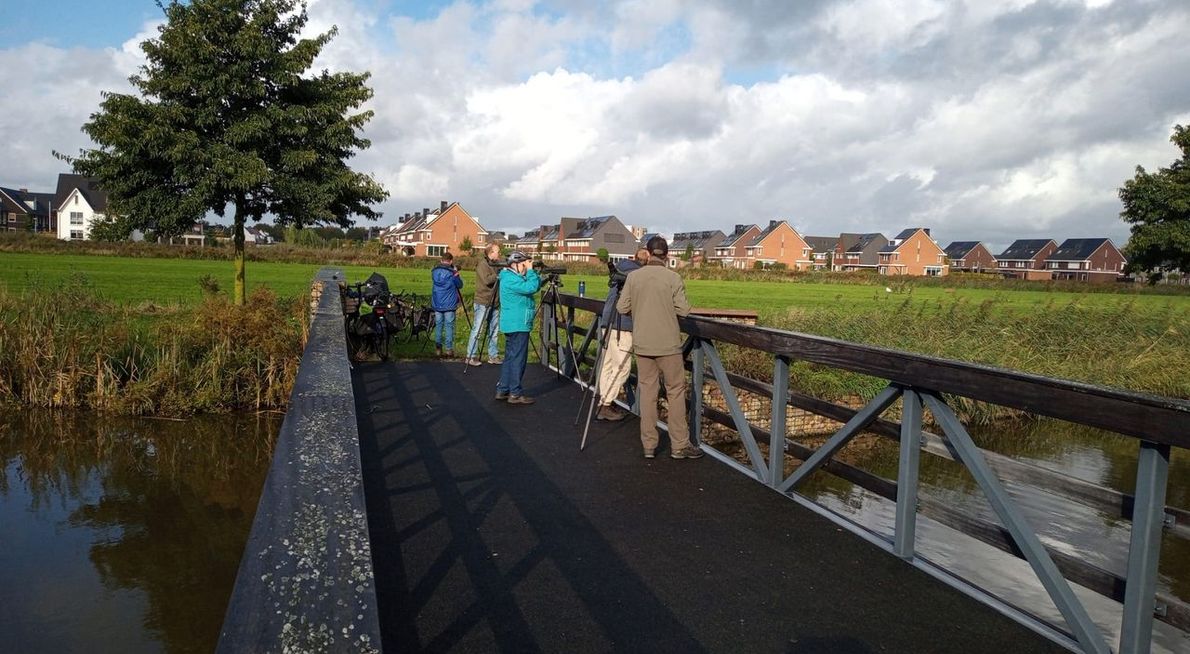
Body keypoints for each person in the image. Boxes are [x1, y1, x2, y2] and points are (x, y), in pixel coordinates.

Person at [616, 236, 700, 460]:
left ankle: (649, 445)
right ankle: (679, 446)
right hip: (669, 344)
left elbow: (621, 306)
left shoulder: (633, 277)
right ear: (667, 254)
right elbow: (683, 310)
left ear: (648, 252)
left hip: (643, 343)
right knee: (675, 392)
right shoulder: (673, 277)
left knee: (648, 393)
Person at [594, 247, 650, 421]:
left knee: (607, 364)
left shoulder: (620, 271)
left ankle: (604, 400)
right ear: (647, 261)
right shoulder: (639, 277)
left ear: (633, 257)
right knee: (623, 367)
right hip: (623, 326)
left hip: (607, 322)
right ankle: (605, 404)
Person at [496, 251, 541, 404]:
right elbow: (531, 287)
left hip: (512, 323)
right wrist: (531, 271)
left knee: (510, 357)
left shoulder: (509, 277)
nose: (525, 268)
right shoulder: (511, 279)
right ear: (515, 264)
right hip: (518, 323)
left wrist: (531, 271)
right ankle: (515, 392)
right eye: (523, 264)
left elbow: (531, 285)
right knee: (518, 359)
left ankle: (503, 389)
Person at [464, 243, 504, 366]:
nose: (499, 253)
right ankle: (471, 356)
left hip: (495, 301)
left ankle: (493, 355)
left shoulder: (497, 264)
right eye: (497, 251)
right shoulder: (483, 265)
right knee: (478, 329)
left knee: (494, 330)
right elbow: (487, 280)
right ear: (490, 253)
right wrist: (499, 275)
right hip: (483, 301)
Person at [430, 251, 463, 358]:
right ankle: (449, 350)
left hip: (437, 303)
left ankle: (438, 349)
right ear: (451, 261)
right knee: (449, 326)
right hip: (449, 303)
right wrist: (456, 274)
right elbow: (460, 285)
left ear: (441, 260)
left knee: (439, 325)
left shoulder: (434, 272)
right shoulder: (452, 273)